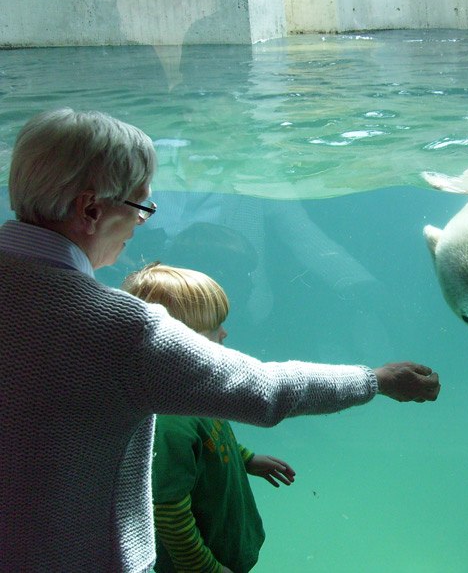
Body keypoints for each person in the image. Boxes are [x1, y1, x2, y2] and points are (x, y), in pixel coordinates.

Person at [0, 108, 440, 572]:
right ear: (91, 210)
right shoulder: (119, 329)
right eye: (140, 207)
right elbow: (266, 391)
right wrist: (375, 379)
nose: (142, 223)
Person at [122, 262, 294, 573]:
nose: (225, 333)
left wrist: (247, 459)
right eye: (215, 327)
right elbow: (169, 512)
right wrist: (206, 569)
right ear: (185, 341)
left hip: (222, 550)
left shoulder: (193, 391)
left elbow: (208, 441)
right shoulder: (169, 420)